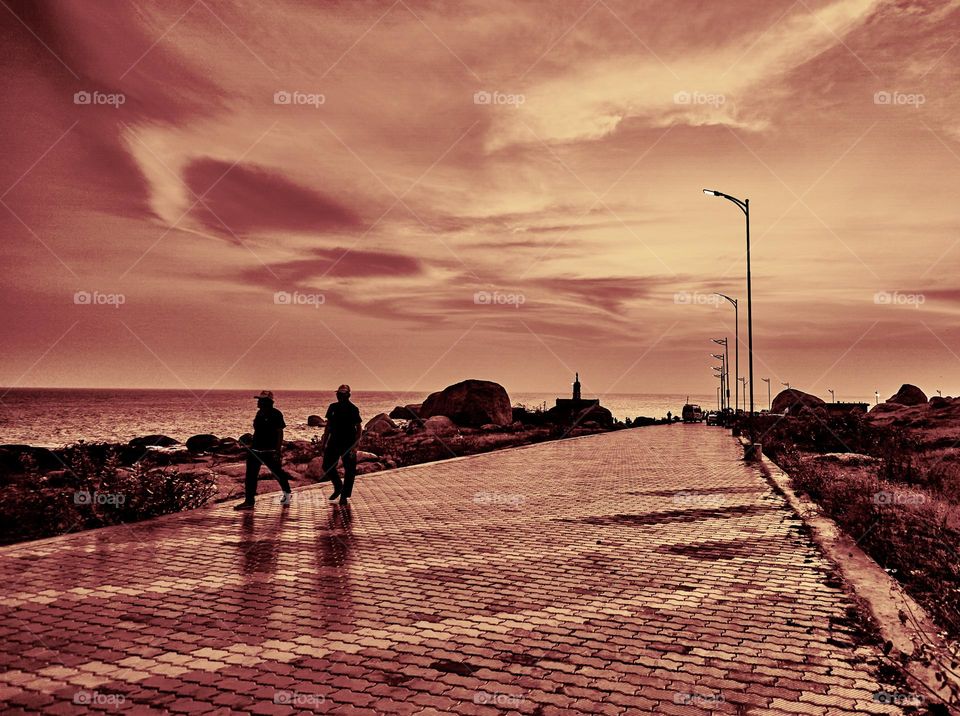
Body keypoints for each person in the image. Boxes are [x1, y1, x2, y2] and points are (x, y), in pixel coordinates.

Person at [234, 390, 294, 510]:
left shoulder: (276, 414)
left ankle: (287, 493)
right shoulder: (259, 413)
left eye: (261, 400)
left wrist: (278, 450)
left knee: (277, 473)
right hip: (255, 449)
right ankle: (249, 501)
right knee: (250, 476)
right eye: (259, 400)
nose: (258, 402)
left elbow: (280, 432)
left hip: (270, 451)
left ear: (268, 402)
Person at [320, 384, 362, 505]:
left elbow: (359, 428)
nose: (339, 396)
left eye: (342, 394)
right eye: (338, 394)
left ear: (348, 395)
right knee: (327, 465)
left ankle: (344, 495)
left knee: (350, 470)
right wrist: (323, 443)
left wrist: (355, 446)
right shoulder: (332, 407)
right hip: (334, 441)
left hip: (348, 442)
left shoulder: (353, 409)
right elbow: (328, 426)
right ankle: (338, 486)